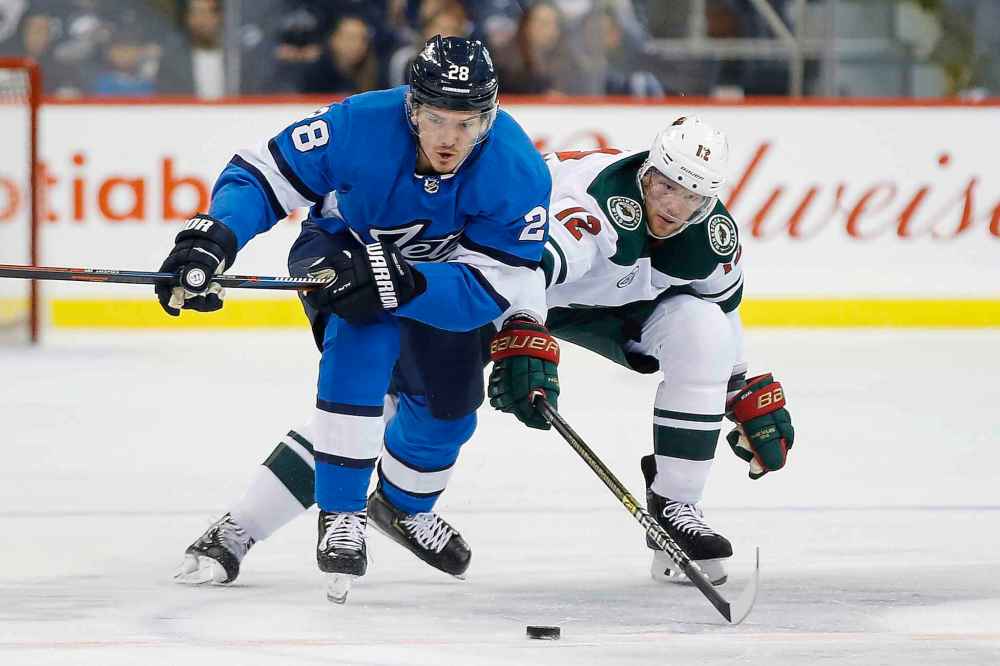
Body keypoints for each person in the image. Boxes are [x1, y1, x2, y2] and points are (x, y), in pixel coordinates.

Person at [168, 115, 794, 591]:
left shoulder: (713, 237)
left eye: (689, 196)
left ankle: (676, 512)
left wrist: (740, 388)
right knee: (390, 405)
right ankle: (239, 529)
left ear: (711, 199)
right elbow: (522, 274)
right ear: (646, 169)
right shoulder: (589, 208)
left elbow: (724, 314)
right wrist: (522, 334)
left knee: (705, 333)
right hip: (505, 285)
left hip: (612, 309)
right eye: (662, 184)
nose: (670, 204)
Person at [155, 35, 557, 603]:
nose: (450, 138)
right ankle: (338, 513)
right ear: (412, 108)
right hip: (341, 251)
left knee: (448, 413)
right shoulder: (360, 123)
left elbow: (501, 282)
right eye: (438, 119)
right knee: (363, 343)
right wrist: (216, 236)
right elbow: (264, 175)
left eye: (467, 123)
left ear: (489, 118)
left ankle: (399, 509)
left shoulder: (517, 170)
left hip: (437, 285)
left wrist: (412, 281)